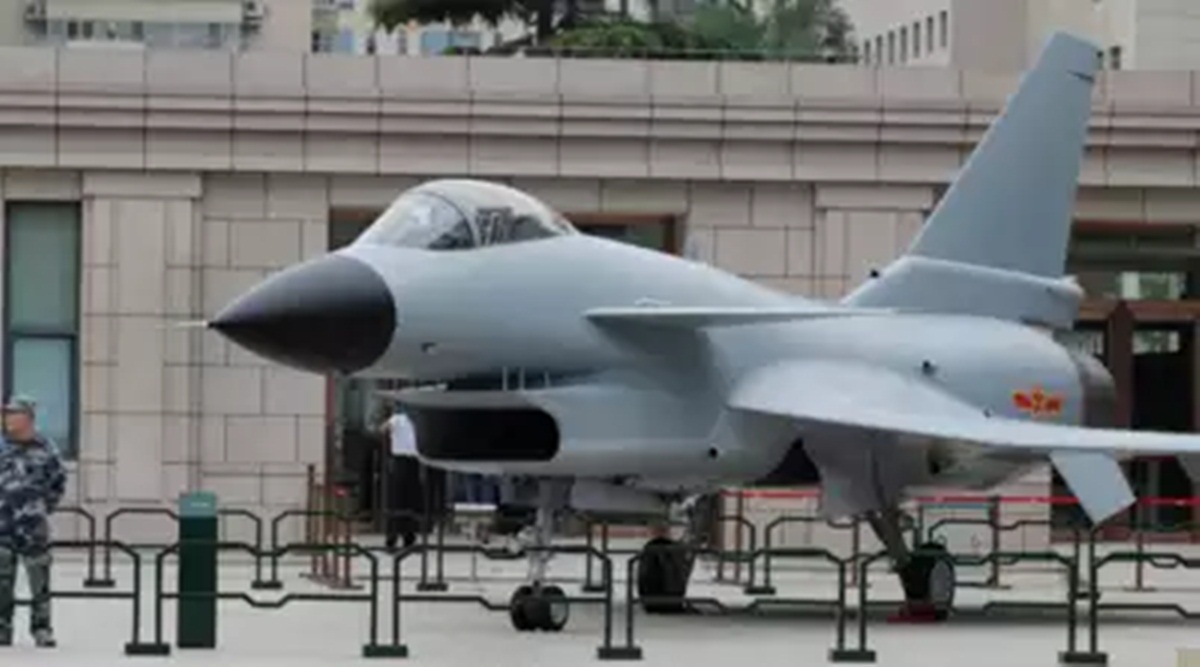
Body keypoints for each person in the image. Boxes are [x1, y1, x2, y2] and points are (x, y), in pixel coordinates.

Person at [0, 396, 65, 648]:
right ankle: (2, 628)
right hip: (2, 526)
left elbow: (57, 482)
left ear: (27, 418)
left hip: (33, 527)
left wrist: (40, 508)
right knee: (2, 582)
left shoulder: (46, 448)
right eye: (6, 414)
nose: (7, 419)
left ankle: (42, 628)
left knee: (40, 582)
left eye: (12, 414)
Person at [380, 412, 423, 551]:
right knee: (396, 499)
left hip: (414, 460)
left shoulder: (418, 418)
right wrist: (388, 427)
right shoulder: (398, 418)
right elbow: (384, 428)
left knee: (411, 500)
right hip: (400, 460)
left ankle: (409, 537)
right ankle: (392, 537)